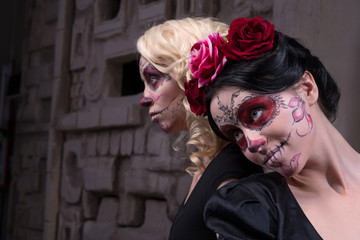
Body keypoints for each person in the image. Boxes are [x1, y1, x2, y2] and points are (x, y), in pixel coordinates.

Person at [185, 16, 360, 239]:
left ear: (306, 88)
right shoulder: (251, 211)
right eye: (236, 134)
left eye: (255, 113)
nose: (251, 144)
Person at [137, 18, 262, 240]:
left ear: (188, 75)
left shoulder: (231, 172)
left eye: (153, 79)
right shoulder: (208, 163)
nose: (144, 98)